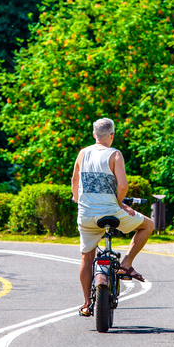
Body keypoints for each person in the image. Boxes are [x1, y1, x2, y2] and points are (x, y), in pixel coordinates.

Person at [71, 117, 154, 317]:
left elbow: (75, 179)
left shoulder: (83, 153)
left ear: (94, 135)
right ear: (112, 135)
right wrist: (120, 204)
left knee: (86, 256)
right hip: (111, 213)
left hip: (86, 214)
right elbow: (123, 185)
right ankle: (126, 264)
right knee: (148, 225)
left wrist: (77, 200)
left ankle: (85, 303)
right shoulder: (115, 154)